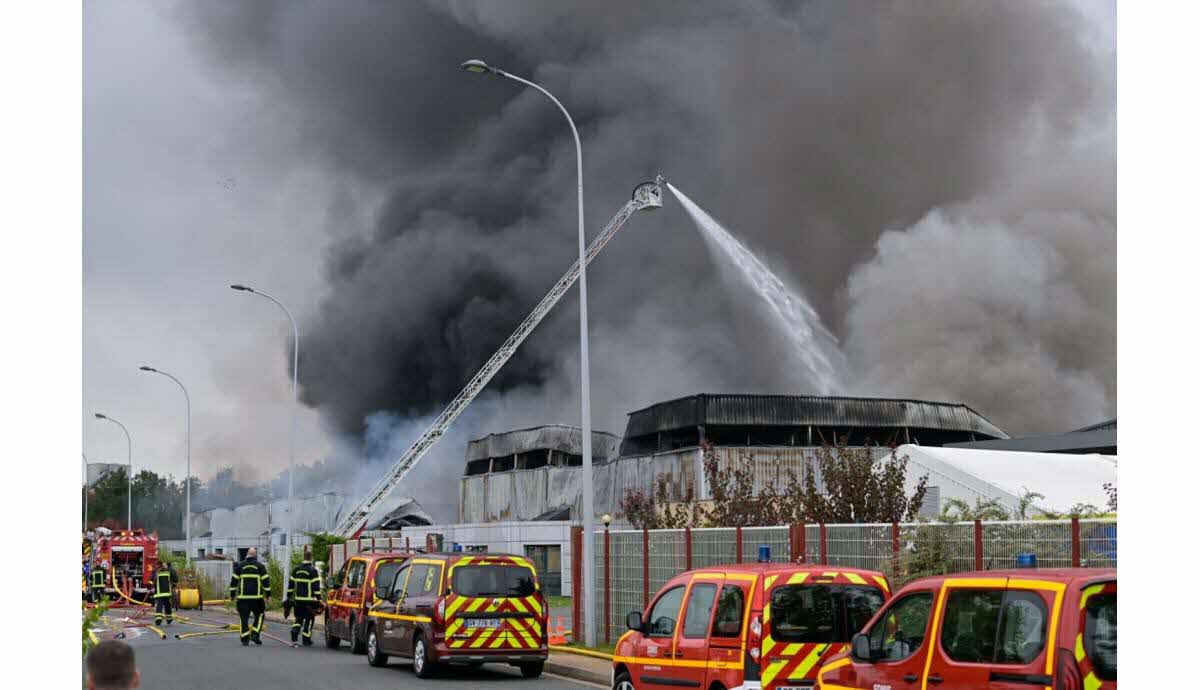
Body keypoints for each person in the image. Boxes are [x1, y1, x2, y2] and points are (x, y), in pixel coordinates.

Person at [230, 547, 270, 646]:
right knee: (260, 615)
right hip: (257, 599)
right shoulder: (260, 566)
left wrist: (232, 595)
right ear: (255, 555)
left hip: (243, 598)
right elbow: (266, 582)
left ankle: (245, 639)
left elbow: (233, 582)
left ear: (247, 554)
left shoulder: (240, 566)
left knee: (244, 618)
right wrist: (268, 595)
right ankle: (255, 634)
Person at [287, 545, 322, 647]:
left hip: (298, 600)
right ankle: (306, 639)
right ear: (311, 558)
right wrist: (319, 599)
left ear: (304, 557)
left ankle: (294, 630)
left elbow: (291, 585)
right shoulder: (313, 570)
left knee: (298, 618)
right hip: (309, 601)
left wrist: (289, 597)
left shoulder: (296, 569)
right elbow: (316, 587)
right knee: (309, 619)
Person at [152, 560, 178, 626]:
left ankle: (158, 619)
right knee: (167, 605)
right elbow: (175, 579)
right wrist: (173, 585)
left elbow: (152, 581)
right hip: (167, 592)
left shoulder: (155, 571)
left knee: (159, 605)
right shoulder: (169, 571)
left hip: (159, 592)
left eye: (156, 565)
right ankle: (169, 618)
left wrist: (151, 588)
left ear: (158, 565)